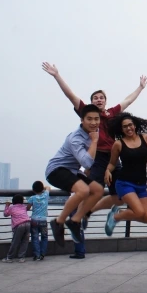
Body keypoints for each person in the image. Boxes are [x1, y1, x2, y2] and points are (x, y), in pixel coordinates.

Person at [41, 62, 147, 224]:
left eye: (101, 98)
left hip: (113, 158)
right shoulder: (87, 113)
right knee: (91, 190)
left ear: (105, 101)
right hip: (96, 158)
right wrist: (57, 76)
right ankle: (76, 218)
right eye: (95, 98)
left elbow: (128, 101)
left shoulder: (112, 113)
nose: (98, 100)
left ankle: (89, 211)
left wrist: (140, 88)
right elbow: (71, 95)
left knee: (119, 196)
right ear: (91, 103)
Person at [45, 104, 104, 246]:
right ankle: (58, 222)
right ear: (82, 120)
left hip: (73, 170)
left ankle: (75, 221)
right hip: (56, 169)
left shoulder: (92, 133)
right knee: (83, 190)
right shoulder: (75, 138)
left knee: (98, 190)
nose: (93, 122)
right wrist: (95, 141)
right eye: (89, 119)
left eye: (96, 119)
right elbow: (87, 162)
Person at [104, 113, 147, 235]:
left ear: (135, 125)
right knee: (139, 212)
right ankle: (115, 217)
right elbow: (112, 163)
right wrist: (107, 171)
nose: (128, 128)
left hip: (141, 184)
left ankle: (117, 215)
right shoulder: (118, 144)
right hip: (125, 183)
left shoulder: (145, 138)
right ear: (121, 129)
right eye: (125, 127)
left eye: (130, 125)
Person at [2, 195, 31, 263]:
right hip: (28, 223)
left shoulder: (12, 208)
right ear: (22, 201)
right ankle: (21, 258)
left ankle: (9, 257)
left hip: (19, 225)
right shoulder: (24, 207)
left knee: (15, 242)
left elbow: (5, 214)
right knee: (25, 242)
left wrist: (7, 206)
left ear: (13, 201)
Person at [27, 181, 50, 261]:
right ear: (42, 189)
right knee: (44, 237)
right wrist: (44, 189)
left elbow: (27, 208)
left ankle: (36, 255)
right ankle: (42, 254)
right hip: (43, 220)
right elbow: (48, 188)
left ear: (33, 189)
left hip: (34, 220)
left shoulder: (32, 198)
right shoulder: (46, 195)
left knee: (35, 238)